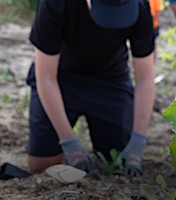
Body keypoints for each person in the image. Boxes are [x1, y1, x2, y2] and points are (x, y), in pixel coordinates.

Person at [26, 0, 155, 177]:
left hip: (110, 80)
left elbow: (145, 78)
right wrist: (69, 141)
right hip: (61, 77)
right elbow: (46, 77)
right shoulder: (55, 4)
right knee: (41, 165)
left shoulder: (140, 5)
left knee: (117, 159)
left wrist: (138, 141)